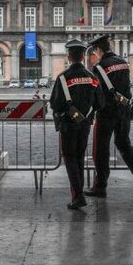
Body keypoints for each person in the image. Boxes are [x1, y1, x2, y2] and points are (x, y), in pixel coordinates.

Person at [85, 35, 133, 198]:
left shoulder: (100, 67)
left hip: (107, 113)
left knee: (100, 149)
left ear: (98, 49)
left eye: (95, 50)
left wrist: (91, 113)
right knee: (123, 144)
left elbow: (98, 94)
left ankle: (100, 186)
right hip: (125, 110)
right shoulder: (123, 62)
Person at [50, 39, 104, 209]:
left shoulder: (63, 78)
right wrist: (89, 113)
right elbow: (100, 103)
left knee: (70, 158)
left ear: (69, 56)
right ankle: (78, 194)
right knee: (79, 157)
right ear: (82, 56)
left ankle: (78, 196)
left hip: (68, 124)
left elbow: (54, 103)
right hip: (85, 125)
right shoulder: (92, 77)